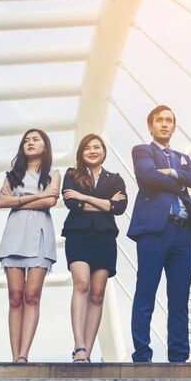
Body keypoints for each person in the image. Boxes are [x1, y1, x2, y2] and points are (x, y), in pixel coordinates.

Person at [127, 105, 191, 362]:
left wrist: (172, 173)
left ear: (174, 126)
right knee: (146, 292)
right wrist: (183, 180)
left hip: (183, 233)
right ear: (151, 126)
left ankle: (179, 357)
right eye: (159, 120)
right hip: (153, 230)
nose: (164, 124)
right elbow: (147, 174)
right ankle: (142, 354)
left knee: (180, 298)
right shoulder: (142, 150)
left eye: (169, 120)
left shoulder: (182, 157)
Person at [61, 134, 127, 363]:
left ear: (104, 151)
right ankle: (78, 346)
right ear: (81, 152)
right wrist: (105, 204)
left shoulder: (115, 179)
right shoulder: (71, 175)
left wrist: (83, 197)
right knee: (82, 284)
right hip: (78, 235)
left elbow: (119, 208)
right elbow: (71, 204)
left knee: (98, 294)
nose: (92, 151)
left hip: (105, 238)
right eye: (87, 147)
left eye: (97, 147)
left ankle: (87, 351)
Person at [0, 129, 61, 363]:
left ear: (46, 146)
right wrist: (35, 197)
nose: (30, 143)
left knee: (32, 295)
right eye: (27, 140)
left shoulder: (53, 174)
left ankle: (24, 354)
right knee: (15, 296)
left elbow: (50, 201)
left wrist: (18, 200)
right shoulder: (12, 175)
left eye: (36, 140)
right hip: (14, 235)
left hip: (40, 234)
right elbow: (1, 202)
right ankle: (15, 356)